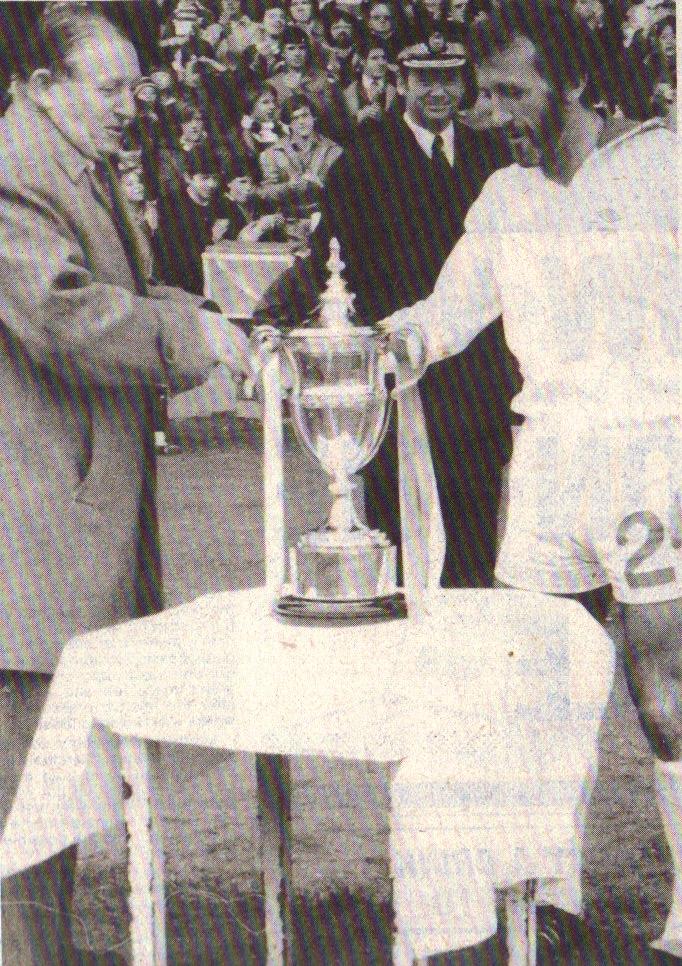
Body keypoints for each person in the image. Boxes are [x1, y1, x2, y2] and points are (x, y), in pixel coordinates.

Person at [380, 1, 680, 958]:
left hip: (654, 450)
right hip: (547, 459)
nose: (493, 108)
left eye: (514, 89)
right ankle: (556, 898)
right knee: (535, 687)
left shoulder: (665, 170)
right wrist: (384, 346)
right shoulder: (506, 195)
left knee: (664, 690)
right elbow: (449, 311)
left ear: (579, 83)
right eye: (487, 89)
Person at [0, 6, 249, 964]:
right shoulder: (17, 171)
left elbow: (123, 295)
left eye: (133, 85)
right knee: (27, 799)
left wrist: (211, 314)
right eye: (109, 88)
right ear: (40, 84)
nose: (128, 106)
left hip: (67, 516)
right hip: (31, 529)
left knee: (47, 790)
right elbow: (65, 320)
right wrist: (192, 339)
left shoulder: (72, 163)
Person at [255, 35, 518, 592]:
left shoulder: (495, 157)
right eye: (425, 79)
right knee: (400, 536)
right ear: (402, 82)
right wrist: (273, 316)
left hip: (480, 378)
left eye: (449, 78)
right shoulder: (364, 160)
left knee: (474, 541)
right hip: (401, 380)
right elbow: (329, 260)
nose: (439, 91)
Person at [259, 93, 343, 216]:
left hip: (328, 215)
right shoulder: (272, 153)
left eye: (305, 115)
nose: (301, 122)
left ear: (314, 117)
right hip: (291, 219)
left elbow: (345, 190)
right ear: (288, 123)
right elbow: (265, 193)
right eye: (294, 118)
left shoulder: (334, 150)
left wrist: (321, 184)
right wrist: (288, 186)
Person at [342, 37, 398, 127]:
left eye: (384, 58)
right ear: (363, 61)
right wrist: (359, 117)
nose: (382, 62)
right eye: (374, 58)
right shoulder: (350, 90)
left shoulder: (396, 87)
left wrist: (384, 118)